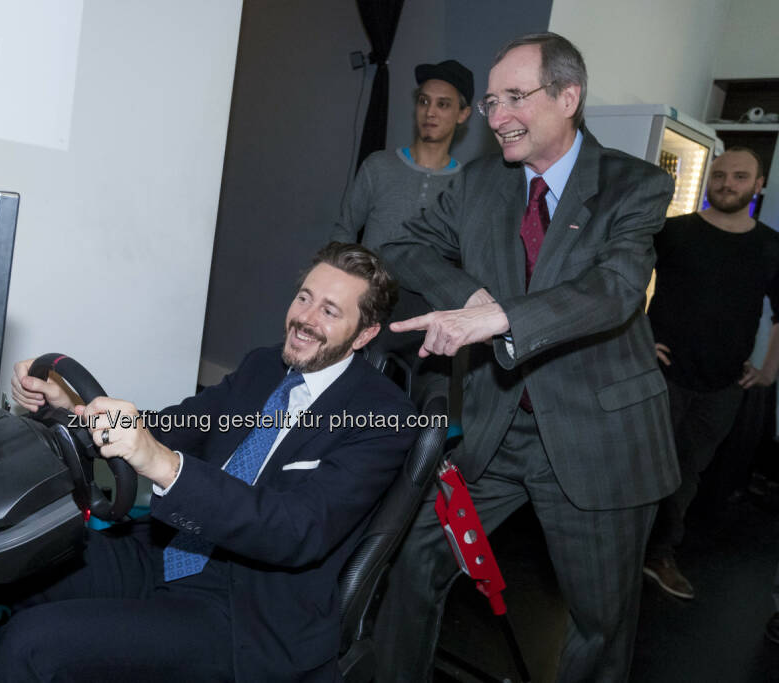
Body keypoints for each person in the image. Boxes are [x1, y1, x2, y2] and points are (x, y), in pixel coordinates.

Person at [0, 242, 417, 683]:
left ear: (365, 333)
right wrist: (75, 409)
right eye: (303, 297)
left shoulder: (383, 417)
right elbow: (178, 424)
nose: (304, 318)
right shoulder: (262, 368)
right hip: (167, 553)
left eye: (329, 310)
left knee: (33, 647)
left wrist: (163, 465)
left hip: (244, 611)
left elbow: (295, 531)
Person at [373, 33, 680, 683]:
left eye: (516, 96)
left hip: (600, 440)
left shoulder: (636, 185)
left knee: (601, 623)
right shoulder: (481, 182)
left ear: (569, 97)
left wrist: (500, 316)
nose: (498, 114)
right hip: (497, 429)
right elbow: (406, 245)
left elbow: (615, 289)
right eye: (490, 101)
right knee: (414, 561)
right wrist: (471, 293)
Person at [642, 148, 779, 600]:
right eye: (719, 175)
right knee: (639, 466)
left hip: (723, 385)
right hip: (661, 374)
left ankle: (659, 554)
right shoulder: (673, 231)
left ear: (758, 185)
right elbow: (621, 283)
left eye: (740, 176)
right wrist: (635, 339)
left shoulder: (770, 246)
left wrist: (768, 370)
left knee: (686, 472)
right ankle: (612, 551)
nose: (727, 183)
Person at [330, 59, 473, 251]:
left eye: (443, 104)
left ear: (462, 114)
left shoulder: (465, 186)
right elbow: (344, 231)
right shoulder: (378, 166)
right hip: (370, 281)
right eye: (424, 101)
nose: (430, 111)